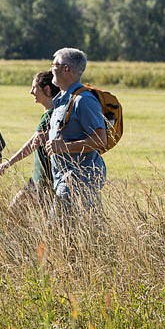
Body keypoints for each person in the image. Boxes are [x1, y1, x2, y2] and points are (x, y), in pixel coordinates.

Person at [45, 48, 107, 214]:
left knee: (60, 230)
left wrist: (64, 147)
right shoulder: (61, 100)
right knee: (65, 234)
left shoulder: (83, 101)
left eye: (54, 65)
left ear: (66, 69)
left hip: (80, 180)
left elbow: (101, 140)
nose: (51, 69)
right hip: (63, 180)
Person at [0, 71, 59, 204]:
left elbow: (31, 145)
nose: (31, 92)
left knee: (15, 213)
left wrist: (8, 163)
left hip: (44, 182)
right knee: (15, 211)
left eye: (34, 87)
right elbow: (33, 141)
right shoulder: (54, 113)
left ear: (46, 89)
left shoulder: (50, 116)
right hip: (38, 179)